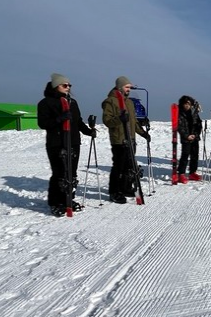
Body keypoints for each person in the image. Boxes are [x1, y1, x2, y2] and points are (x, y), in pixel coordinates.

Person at [37, 73, 95, 217]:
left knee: (71, 173)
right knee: (59, 174)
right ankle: (55, 202)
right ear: (56, 86)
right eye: (64, 85)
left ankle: (68, 200)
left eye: (69, 85)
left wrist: (88, 131)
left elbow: (78, 121)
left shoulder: (72, 102)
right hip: (56, 143)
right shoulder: (46, 103)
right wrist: (59, 119)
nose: (68, 87)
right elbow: (43, 123)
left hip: (73, 142)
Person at [102, 76, 150, 204]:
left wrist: (143, 133)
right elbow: (107, 121)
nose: (129, 89)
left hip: (131, 139)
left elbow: (133, 122)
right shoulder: (110, 101)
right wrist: (119, 119)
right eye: (127, 87)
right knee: (119, 167)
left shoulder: (129, 102)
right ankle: (114, 191)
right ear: (120, 87)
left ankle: (126, 188)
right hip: (119, 140)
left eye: (130, 87)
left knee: (129, 166)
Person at [177, 95, 203, 183]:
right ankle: (181, 173)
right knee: (185, 155)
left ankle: (192, 172)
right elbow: (180, 127)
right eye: (185, 104)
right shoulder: (180, 113)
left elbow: (198, 125)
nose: (187, 105)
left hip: (195, 138)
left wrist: (195, 134)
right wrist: (186, 136)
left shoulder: (194, 113)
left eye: (189, 104)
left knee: (195, 155)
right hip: (186, 139)